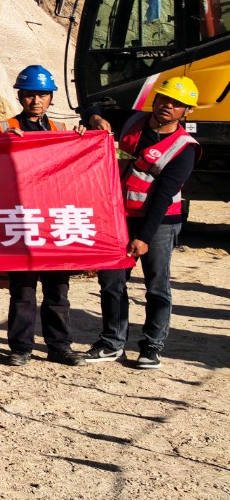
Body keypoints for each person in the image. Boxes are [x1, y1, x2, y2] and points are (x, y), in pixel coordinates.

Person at [85, 76, 199, 369]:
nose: (168, 106)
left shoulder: (184, 148)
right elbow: (92, 107)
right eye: (164, 99)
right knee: (111, 281)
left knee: (156, 285)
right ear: (155, 99)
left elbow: (162, 197)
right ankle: (112, 342)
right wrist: (96, 118)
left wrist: (144, 237)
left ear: (186, 111)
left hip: (159, 223)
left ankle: (152, 346)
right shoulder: (134, 120)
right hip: (120, 216)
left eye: (177, 104)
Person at [0, 65, 82, 368]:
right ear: (20, 95)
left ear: (50, 97)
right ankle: (21, 346)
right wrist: (2, 142)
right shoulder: (2, 129)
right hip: (22, 221)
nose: (36, 100)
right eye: (30, 94)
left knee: (58, 289)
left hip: (54, 220)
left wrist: (86, 134)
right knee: (23, 290)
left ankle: (60, 345)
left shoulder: (60, 133)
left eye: (42, 94)